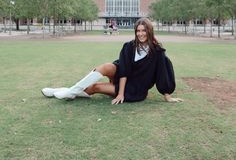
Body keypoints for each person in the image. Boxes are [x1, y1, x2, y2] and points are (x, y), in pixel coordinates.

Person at [41, 18, 183, 104]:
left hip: (134, 89)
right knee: (107, 66)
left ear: (149, 31)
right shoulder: (129, 46)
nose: (140, 34)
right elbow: (124, 70)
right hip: (122, 77)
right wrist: (119, 92)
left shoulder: (157, 53)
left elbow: (163, 74)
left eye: (144, 31)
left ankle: (61, 91)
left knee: (96, 87)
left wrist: (167, 96)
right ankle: (69, 91)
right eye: (138, 31)